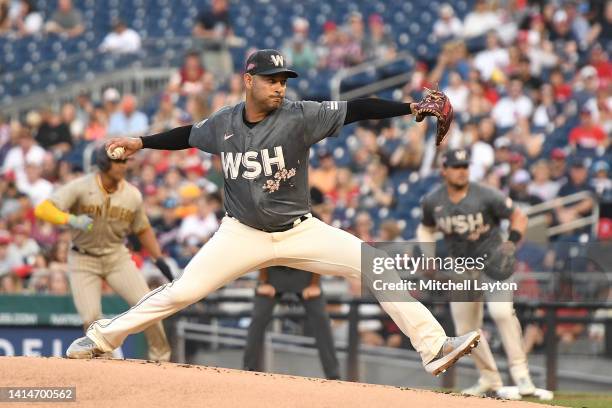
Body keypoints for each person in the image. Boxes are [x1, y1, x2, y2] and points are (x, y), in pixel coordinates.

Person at [67, 49, 478, 377]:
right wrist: (142, 141)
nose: (280, 87)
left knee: (375, 264)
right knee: (183, 292)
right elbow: (187, 136)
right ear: (249, 81)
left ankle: (434, 347)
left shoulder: (299, 116)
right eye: (271, 80)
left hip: (299, 230)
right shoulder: (223, 122)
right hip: (241, 233)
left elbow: (358, 108)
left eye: (283, 81)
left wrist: (410, 107)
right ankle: (101, 337)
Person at [418, 148, 537, 398]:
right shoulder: (433, 200)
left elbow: (519, 216)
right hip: (461, 267)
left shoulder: (485, 194)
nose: (462, 171)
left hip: (493, 261)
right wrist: (428, 255)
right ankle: (490, 378)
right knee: (467, 330)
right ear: (444, 170)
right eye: (457, 167)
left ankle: (521, 374)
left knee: (502, 313)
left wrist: (511, 242)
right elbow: (426, 228)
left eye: (465, 166)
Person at [35, 147, 172, 361]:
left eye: (125, 162)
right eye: (118, 162)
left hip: (116, 256)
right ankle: (103, 362)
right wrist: (70, 220)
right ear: (103, 163)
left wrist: (158, 259)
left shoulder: (132, 194)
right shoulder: (81, 187)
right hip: (83, 258)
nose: (123, 166)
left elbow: (142, 229)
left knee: (147, 306)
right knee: (91, 318)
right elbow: (43, 209)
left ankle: (161, 358)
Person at [243, 266, 340, 380]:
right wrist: (263, 281)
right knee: (258, 318)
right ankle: (247, 371)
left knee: (321, 318)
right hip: (274, 272)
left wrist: (314, 284)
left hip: (305, 272)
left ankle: (334, 376)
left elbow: (315, 252)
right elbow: (264, 252)